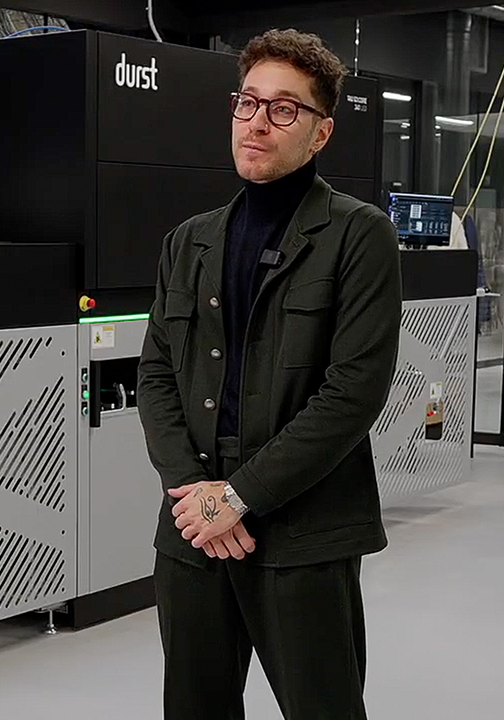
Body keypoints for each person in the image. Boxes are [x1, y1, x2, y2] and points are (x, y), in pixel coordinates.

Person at [136, 28, 403, 720]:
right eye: (248, 102)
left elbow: (352, 393)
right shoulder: (187, 242)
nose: (257, 121)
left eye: (284, 109)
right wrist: (193, 492)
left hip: (302, 528)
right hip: (194, 530)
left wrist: (239, 497)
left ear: (321, 133)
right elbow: (156, 373)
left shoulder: (358, 236)